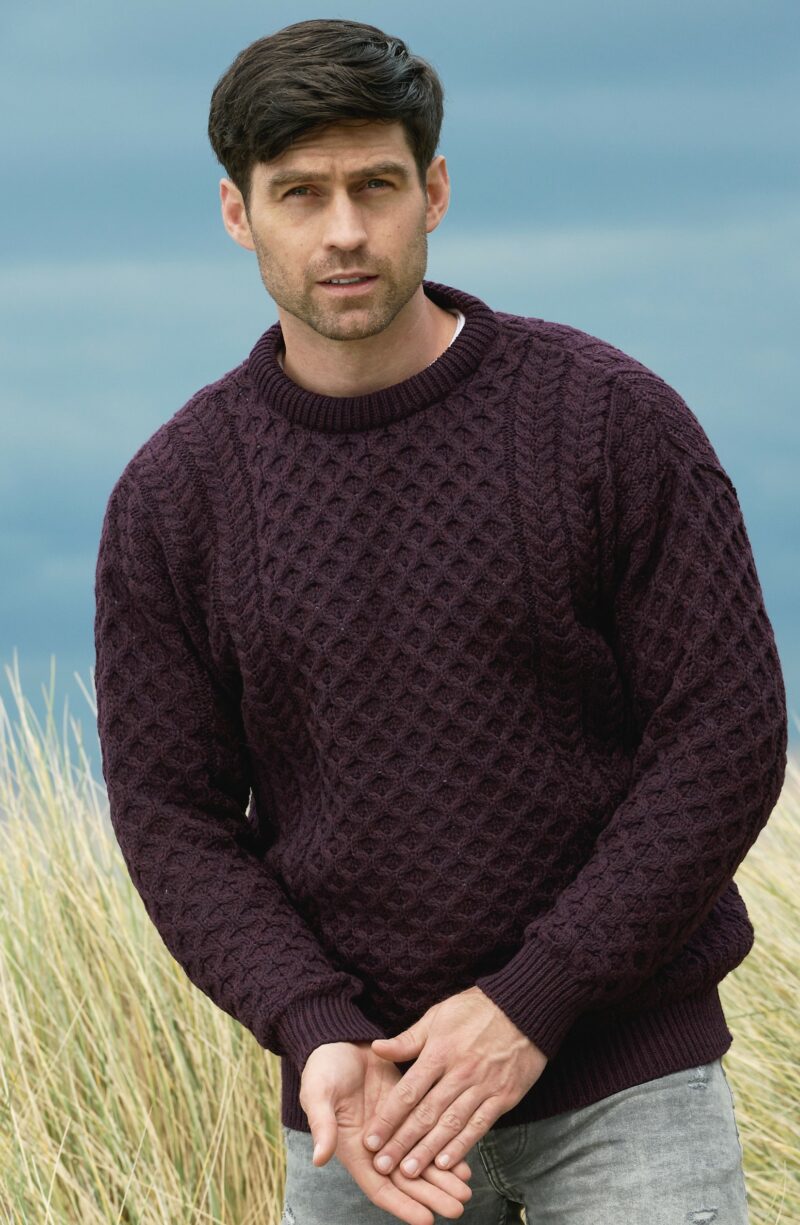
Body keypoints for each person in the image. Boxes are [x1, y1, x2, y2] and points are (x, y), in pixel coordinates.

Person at [92, 17, 787, 1225]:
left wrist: (532, 1000)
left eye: (375, 185)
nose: (343, 230)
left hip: (624, 1085)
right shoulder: (174, 497)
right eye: (299, 194)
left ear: (436, 191)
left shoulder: (607, 424)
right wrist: (310, 1022)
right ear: (237, 213)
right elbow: (172, 817)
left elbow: (722, 735)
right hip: (360, 1109)